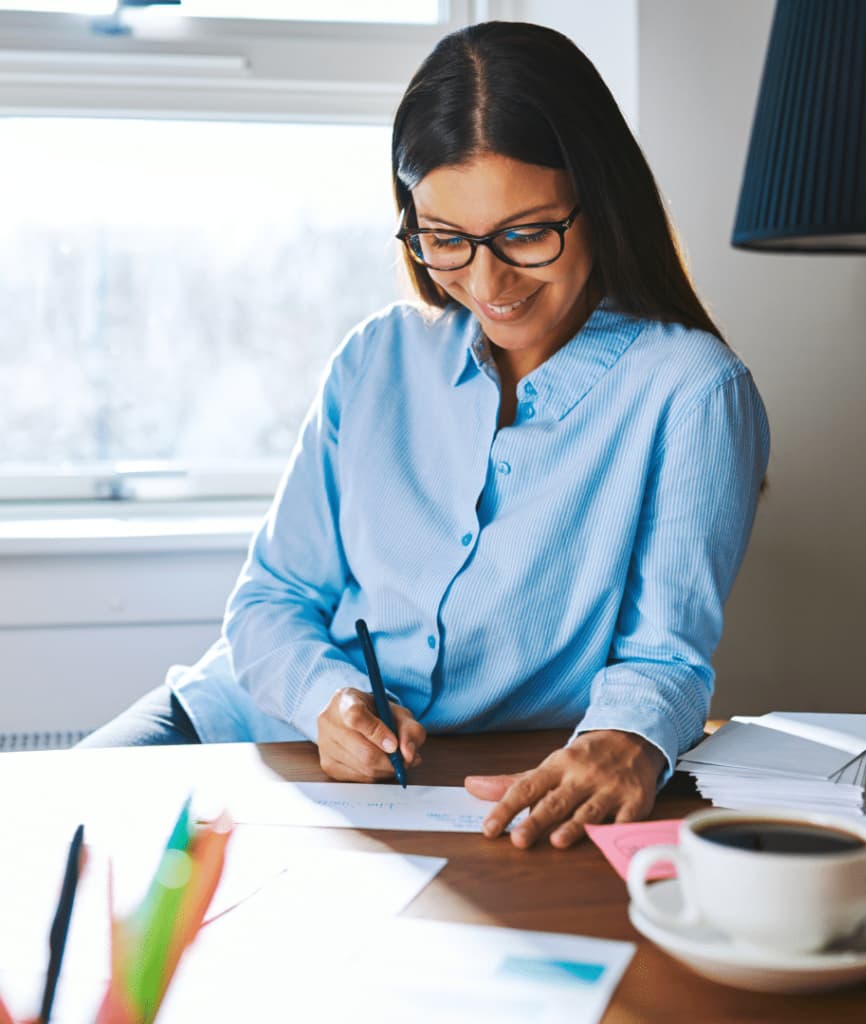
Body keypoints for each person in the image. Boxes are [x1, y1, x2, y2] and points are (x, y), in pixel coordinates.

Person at [80, 21, 770, 850]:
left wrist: (626, 743)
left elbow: (664, 658)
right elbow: (271, 603)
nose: (487, 282)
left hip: (460, 790)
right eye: (445, 239)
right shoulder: (376, 357)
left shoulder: (693, 392)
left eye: (525, 233)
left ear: (601, 202)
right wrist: (328, 700)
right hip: (237, 724)